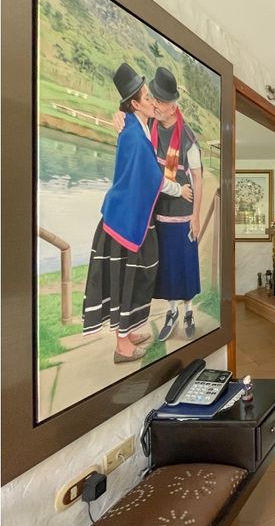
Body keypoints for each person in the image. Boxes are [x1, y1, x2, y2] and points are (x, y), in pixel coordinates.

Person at [82, 63, 192, 363]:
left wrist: (119, 115)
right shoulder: (133, 133)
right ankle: (122, 345)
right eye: (147, 97)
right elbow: (152, 178)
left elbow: (166, 122)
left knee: (140, 275)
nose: (153, 101)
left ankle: (127, 331)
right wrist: (180, 190)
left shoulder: (139, 124)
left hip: (133, 218)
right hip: (125, 221)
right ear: (134, 104)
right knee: (126, 279)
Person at [114, 67, 203, 341]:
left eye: (160, 101)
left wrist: (196, 216)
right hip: (158, 211)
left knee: (184, 265)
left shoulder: (187, 139)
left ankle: (188, 311)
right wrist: (118, 115)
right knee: (166, 267)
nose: (155, 104)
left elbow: (198, 179)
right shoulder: (149, 124)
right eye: (152, 98)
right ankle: (172, 311)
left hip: (182, 213)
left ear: (173, 106)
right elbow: (129, 116)